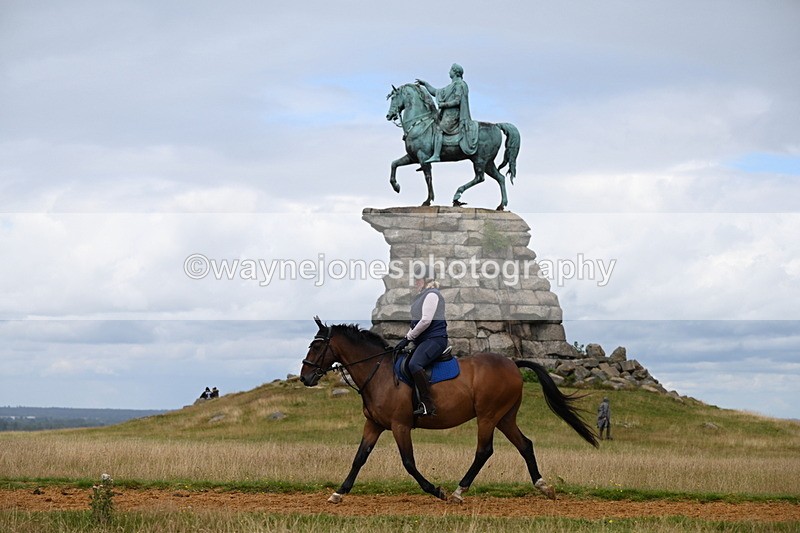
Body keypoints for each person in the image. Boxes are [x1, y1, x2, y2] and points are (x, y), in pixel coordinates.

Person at [394, 265, 448, 416]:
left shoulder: (432, 295)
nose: (416, 281)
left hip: (435, 339)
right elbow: (415, 323)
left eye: (418, 278)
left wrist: (408, 338)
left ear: (427, 279)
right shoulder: (422, 296)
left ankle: (428, 404)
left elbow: (425, 321)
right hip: (424, 340)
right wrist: (405, 339)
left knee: (414, 364)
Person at [415, 63, 479, 163]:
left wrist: (444, 105)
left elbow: (457, 101)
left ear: (455, 72)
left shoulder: (459, 85)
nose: (449, 72)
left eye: (451, 70)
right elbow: (435, 92)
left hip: (454, 115)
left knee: (438, 129)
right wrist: (426, 84)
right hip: (446, 114)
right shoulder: (451, 86)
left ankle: (436, 155)